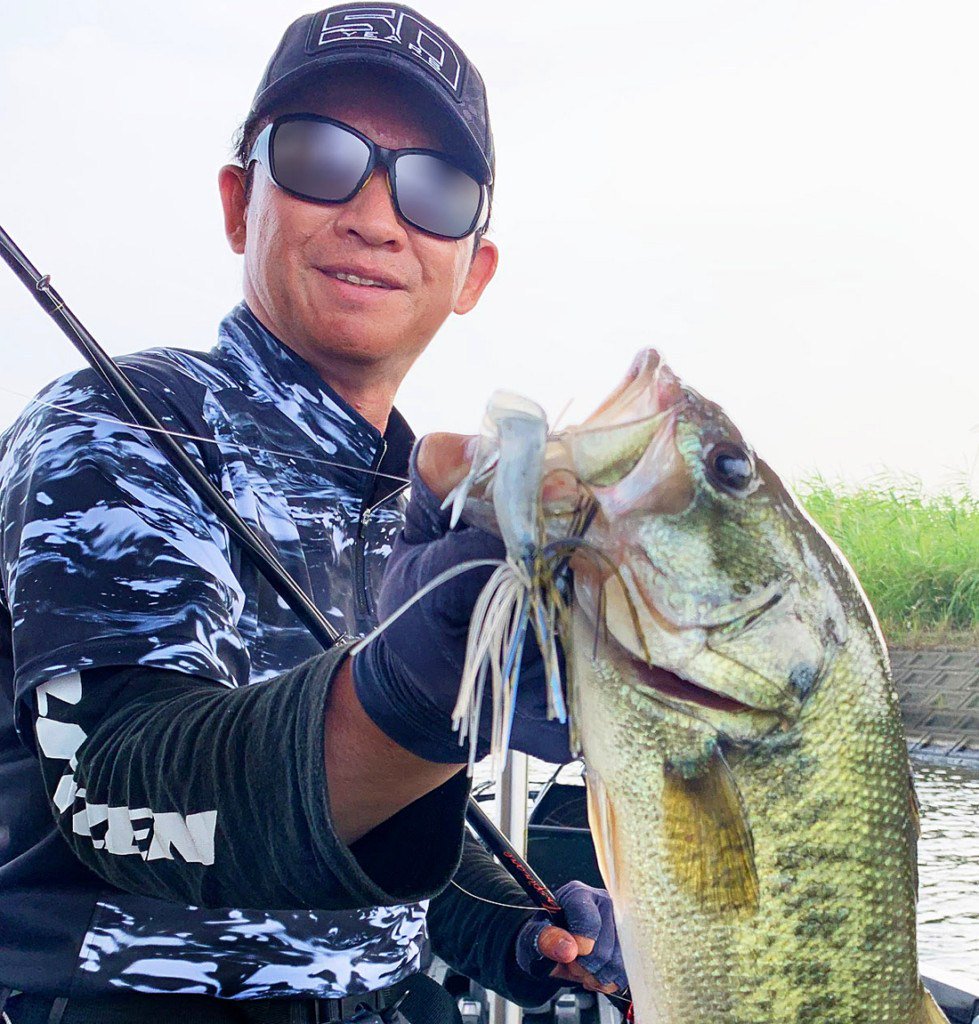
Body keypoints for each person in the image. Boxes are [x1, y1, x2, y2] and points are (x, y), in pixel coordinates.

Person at [0, 5, 626, 1023]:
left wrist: (512, 930)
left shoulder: (413, 505)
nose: (376, 216)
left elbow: (373, 817)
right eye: (320, 157)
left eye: (436, 188)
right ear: (238, 202)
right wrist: (407, 699)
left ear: (473, 268)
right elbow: (117, 795)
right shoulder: (120, 425)